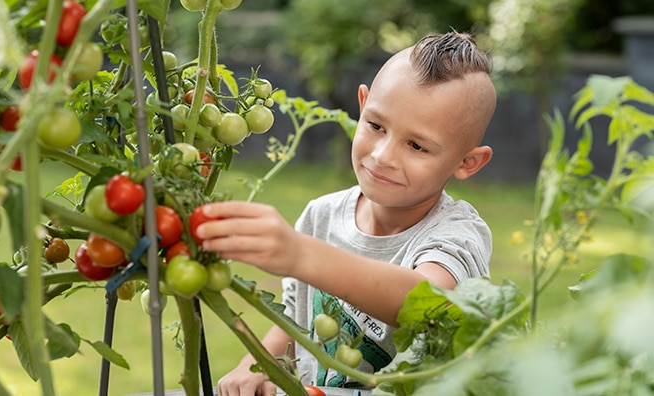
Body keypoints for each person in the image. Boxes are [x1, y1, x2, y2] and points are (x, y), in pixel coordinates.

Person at [196, 30, 497, 395]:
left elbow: (427, 302)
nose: (383, 156)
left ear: (468, 162)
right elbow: (296, 318)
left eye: (417, 145)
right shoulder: (320, 214)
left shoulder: (457, 233)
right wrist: (257, 365)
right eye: (375, 125)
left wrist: (301, 254)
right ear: (362, 103)